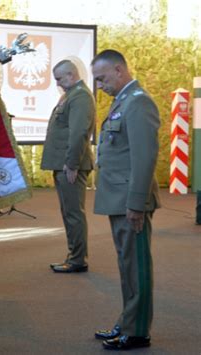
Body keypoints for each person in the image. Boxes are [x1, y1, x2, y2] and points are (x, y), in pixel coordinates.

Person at [91, 49, 160, 350]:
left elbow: (145, 158)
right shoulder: (123, 102)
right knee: (126, 264)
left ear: (119, 70)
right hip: (118, 198)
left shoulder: (139, 102)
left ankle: (137, 331)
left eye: (102, 78)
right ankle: (128, 321)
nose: (99, 86)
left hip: (131, 201)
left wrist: (136, 203)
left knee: (136, 266)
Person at [40, 60, 95, 273]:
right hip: (65, 165)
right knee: (69, 212)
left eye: (60, 79)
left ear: (71, 75)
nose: (58, 83)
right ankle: (74, 256)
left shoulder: (80, 96)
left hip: (71, 166)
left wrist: (71, 164)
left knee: (73, 213)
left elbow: (79, 133)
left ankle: (77, 259)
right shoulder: (72, 95)